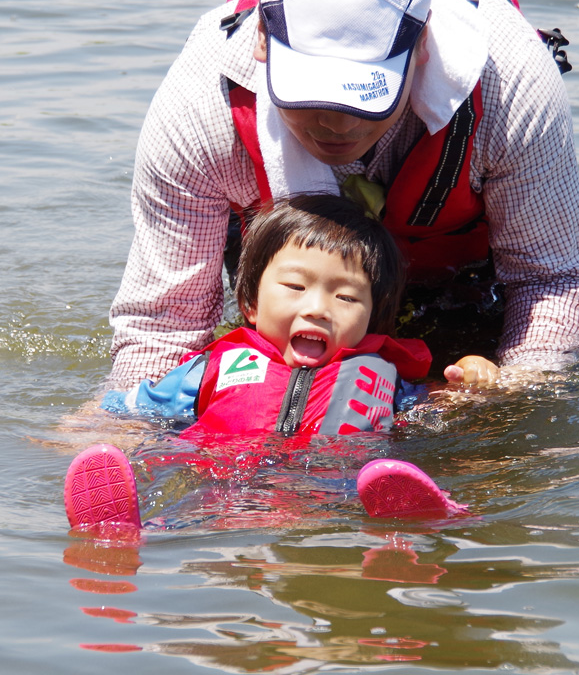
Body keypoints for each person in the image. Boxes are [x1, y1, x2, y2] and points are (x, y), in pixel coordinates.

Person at [106, 0, 579, 393]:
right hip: (292, 268)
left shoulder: (509, 85)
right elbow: (165, 324)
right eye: (312, 95)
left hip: (460, 274)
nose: (337, 125)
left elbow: (552, 277)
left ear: (422, 42)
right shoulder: (200, 109)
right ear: (262, 37)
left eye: (366, 96)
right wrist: (129, 420)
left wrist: (511, 398)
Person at [65, 195, 478, 527]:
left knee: (374, 478)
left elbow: (432, 414)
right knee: (179, 492)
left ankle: (408, 513)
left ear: (373, 316)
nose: (318, 308)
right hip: (222, 483)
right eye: (295, 286)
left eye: (346, 297)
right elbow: (141, 407)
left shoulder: (383, 379)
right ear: (250, 303)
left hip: (337, 490)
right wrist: (86, 424)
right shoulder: (214, 366)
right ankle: (126, 526)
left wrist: (471, 387)